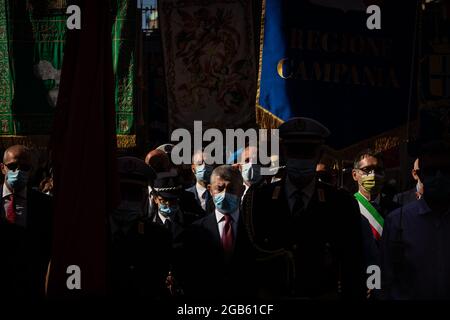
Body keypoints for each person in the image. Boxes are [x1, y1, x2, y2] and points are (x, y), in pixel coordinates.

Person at [244, 118, 365, 299]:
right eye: (294, 151)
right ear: (284, 151)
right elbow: (244, 263)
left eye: (307, 152)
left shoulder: (341, 203)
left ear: (320, 153)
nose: (300, 158)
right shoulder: (259, 200)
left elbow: (353, 267)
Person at [381, 139, 450, 299]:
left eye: (445, 171)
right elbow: (381, 273)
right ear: (420, 175)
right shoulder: (398, 220)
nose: (439, 177)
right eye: (431, 171)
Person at [181, 165, 256, 299]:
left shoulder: (253, 229)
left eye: (231, 189)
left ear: (241, 190)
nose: (225, 194)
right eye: (219, 188)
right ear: (210, 190)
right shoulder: (195, 231)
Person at [109, 156, 172, 299]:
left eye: (133, 195)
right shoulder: (92, 235)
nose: (126, 201)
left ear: (145, 199)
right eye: (121, 194)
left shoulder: (158, 237)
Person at [0, 145, 53, 298]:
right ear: (3, 168)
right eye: (12, 166)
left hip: (32, 285)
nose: (18, 171)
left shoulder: (46, 204)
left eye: (24, 167)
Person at [352, 149, 399, 241]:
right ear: (354, 175)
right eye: (367, 169)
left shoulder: (397, 210)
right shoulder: (346, 207)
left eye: (378, 170)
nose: (373, 175)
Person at [185, 149, 215, 215]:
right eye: (199, 163)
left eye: (208, 162)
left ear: (213, 166)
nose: (204, 166)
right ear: (193, 169)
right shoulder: (186, 195)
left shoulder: (221, 194)